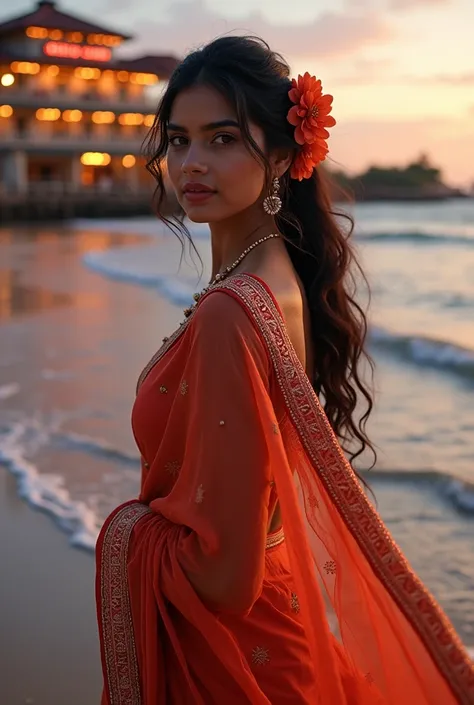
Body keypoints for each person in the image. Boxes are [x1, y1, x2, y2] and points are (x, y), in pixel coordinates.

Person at [95, 36, 473, 704]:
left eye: (222, 138)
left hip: (238, 659)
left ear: (279, 154)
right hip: (277, 624)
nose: (191, 163)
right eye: (178, 140)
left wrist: (127, 531)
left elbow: (226, 575)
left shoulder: (231, 309)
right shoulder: (276, 282)